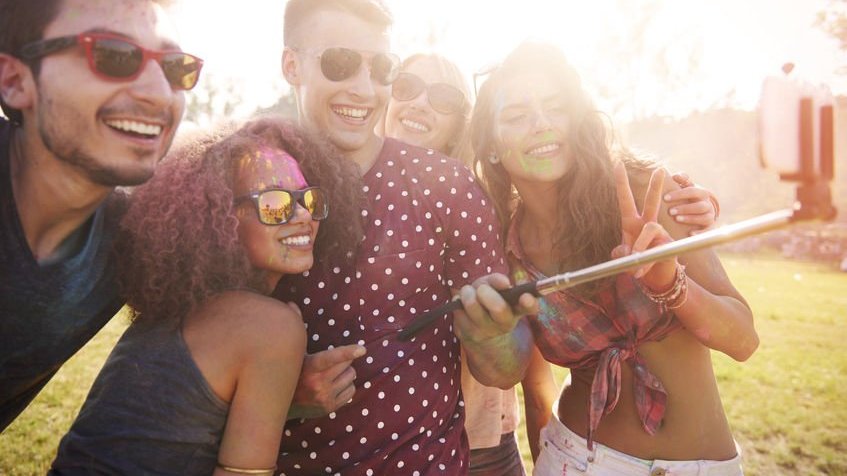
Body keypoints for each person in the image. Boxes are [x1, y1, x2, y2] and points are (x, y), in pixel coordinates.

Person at [382, 53, 724, 475]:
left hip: (479, 441)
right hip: (367, 444)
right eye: (405, 86)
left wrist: (679, 252)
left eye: (444, 96)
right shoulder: (506, 235)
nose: (420, 103)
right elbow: (537, 383)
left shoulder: (484, 219)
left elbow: (524, 374)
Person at [466, 41, 758, 475]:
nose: (542, 125)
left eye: (555, 107)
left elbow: (743, 340)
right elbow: (535, 384)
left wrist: (670, 285)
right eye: (516, 116)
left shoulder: (644, 190)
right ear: (491, 146)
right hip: (570, 460)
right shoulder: (508, 248)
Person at [274, 1, 530, 473]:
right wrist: (276, 393)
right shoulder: (249, 179)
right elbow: (186, 374)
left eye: (381, 68)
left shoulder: (451, 186)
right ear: (292, 65)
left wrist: (492, 336)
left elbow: (503, 369)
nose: (364, 88)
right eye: (340, 63)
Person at [49, 117, 365, 474]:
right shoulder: (271, 326)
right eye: (274, 203)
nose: (303, 216)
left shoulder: (183, 309)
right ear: (221, 216)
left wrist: (285, 401)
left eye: (307, 198)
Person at [0, 0, 203, 430]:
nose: (158, 93)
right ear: (14, 79)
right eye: (113, 55)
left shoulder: (137, 244)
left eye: (174, 67)